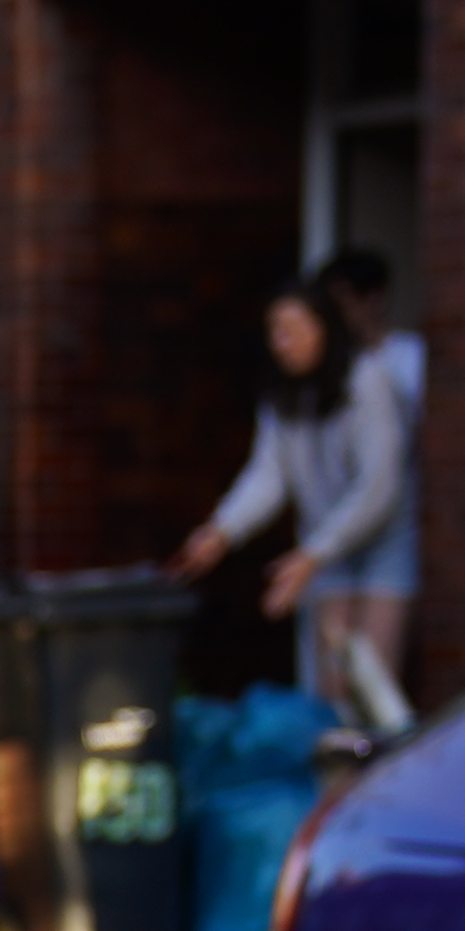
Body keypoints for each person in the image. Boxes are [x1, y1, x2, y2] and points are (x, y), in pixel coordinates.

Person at [170, 278, 417, 737]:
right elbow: (268, 476)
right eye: (276, 331)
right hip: (324, 550)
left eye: (294, 329)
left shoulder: (367, 382)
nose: (283, 343)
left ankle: (378, 781)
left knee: (375, 682)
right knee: (335, 692)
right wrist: (222, 531)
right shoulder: (282, 396)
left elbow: (379, 487)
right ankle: (339, 792)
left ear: (324, 329)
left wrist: (313, 555)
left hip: (380, 543)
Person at [313, 243, 427, 447]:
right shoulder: (330, 363)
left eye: (344, 302)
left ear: (376, 299)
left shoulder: (413, 355)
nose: (336, 315)